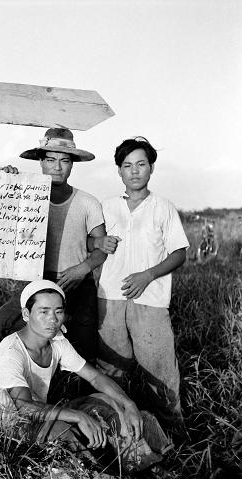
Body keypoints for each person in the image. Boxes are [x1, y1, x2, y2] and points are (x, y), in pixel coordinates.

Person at [0, 280, 172, 476]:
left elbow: (95, 378)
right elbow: (25, 407)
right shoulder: (11, 352)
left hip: (41, 415)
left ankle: (142, 465)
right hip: (13, 429)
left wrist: (129, 404)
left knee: (104, 402)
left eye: (58, 311)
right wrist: (79, 416)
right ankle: (105, 474)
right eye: (44, 311)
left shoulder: (56, 342)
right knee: (64, 429)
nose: (52, 319)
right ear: (26, 314)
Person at [0, 128, 107, 382]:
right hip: (37, 282)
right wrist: (6, 183)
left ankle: (82, 404)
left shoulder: (87, 201)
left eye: (64, 160)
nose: (57, 167)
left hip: (78, 282)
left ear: (72, 165)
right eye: (50, 160)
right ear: (41, 162)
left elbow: (101, 247)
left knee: (83, 346)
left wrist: (82, 269)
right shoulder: (28, 196)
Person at [93, 137, 189, 442]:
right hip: (109, 300)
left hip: (150, 301)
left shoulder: (163, 207)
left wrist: (148, 275)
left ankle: (176, 439)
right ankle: (110, 436)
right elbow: (90, 242)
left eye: (141, 164)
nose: (134, 171)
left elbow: (179, 253)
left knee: (160, 371)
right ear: (119, 171)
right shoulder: (107, 206)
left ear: (151, 168)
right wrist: (98, 242)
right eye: (127, 165)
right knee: (108, 370)